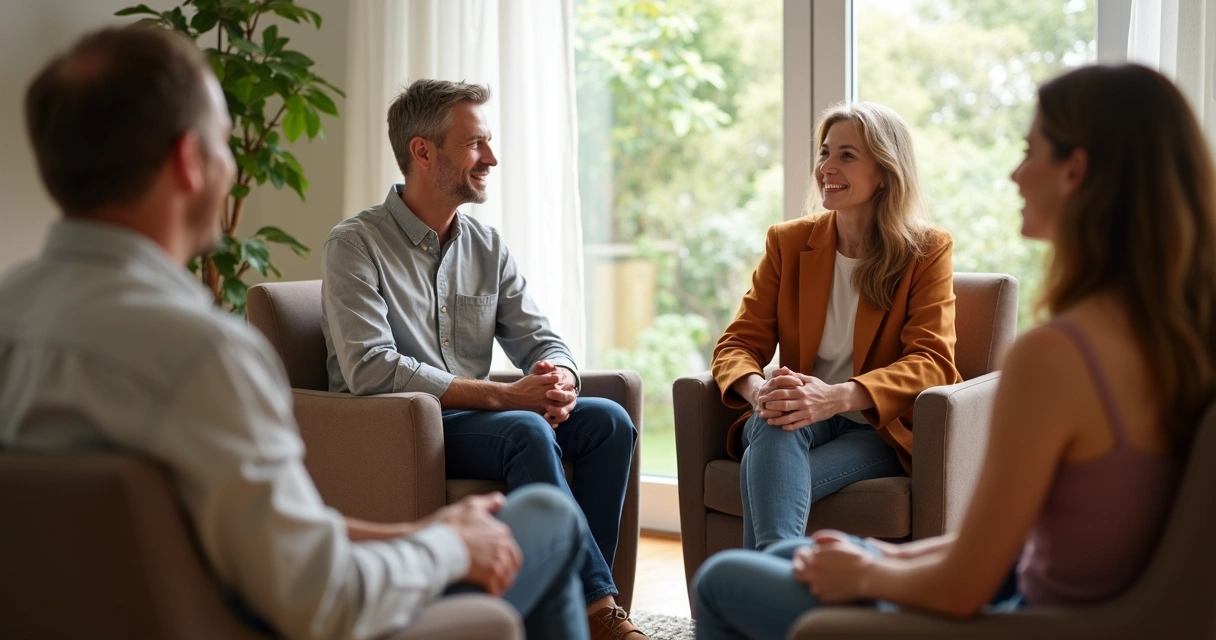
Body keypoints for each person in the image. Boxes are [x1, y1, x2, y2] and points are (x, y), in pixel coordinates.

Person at [0, 26, 593, 640]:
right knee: (547, 520)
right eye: (225, 143)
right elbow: (322, 601)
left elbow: (261, 533)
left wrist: (424, 531)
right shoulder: (205, 356)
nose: (231, 167)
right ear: (188, 161)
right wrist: (452, 550)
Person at [693, 63, 1216, 639]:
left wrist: (867, 572)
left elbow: (966, 578)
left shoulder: (1056, 354)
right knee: (774, 504)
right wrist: (876, 557)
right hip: (1058, 599)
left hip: (1021, 611)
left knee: (724, 578)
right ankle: (782, 564)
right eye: (826, 152)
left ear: (1075, 172)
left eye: (1028, 149)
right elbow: (1012, 553)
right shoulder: (1180, 335)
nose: (1016, 173)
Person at [321, 79, 646, 640]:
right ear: (423, 152)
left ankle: (565, 603)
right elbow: (370, 367)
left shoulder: (486, 245)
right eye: (475, 144)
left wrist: (558, 378)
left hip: (474, 419)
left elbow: (542, 338)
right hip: (396, 427)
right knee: (523, 428)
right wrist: (507, 395)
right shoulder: (355, 244)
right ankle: (597, 612)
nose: (491, 158)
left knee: (607, 423)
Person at [711, 101, 961, 551]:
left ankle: (760, 592)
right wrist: (757, 390)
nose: (827, 166)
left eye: (847, 155)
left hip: (875, 426)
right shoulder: (788, 242)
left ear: (885, 171)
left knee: (765, 469)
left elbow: (932, 362)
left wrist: (834, 397)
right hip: (791, 417)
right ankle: (774, 591)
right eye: (825, 152)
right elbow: (736, 344)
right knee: (774, 419)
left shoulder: (925, 250)